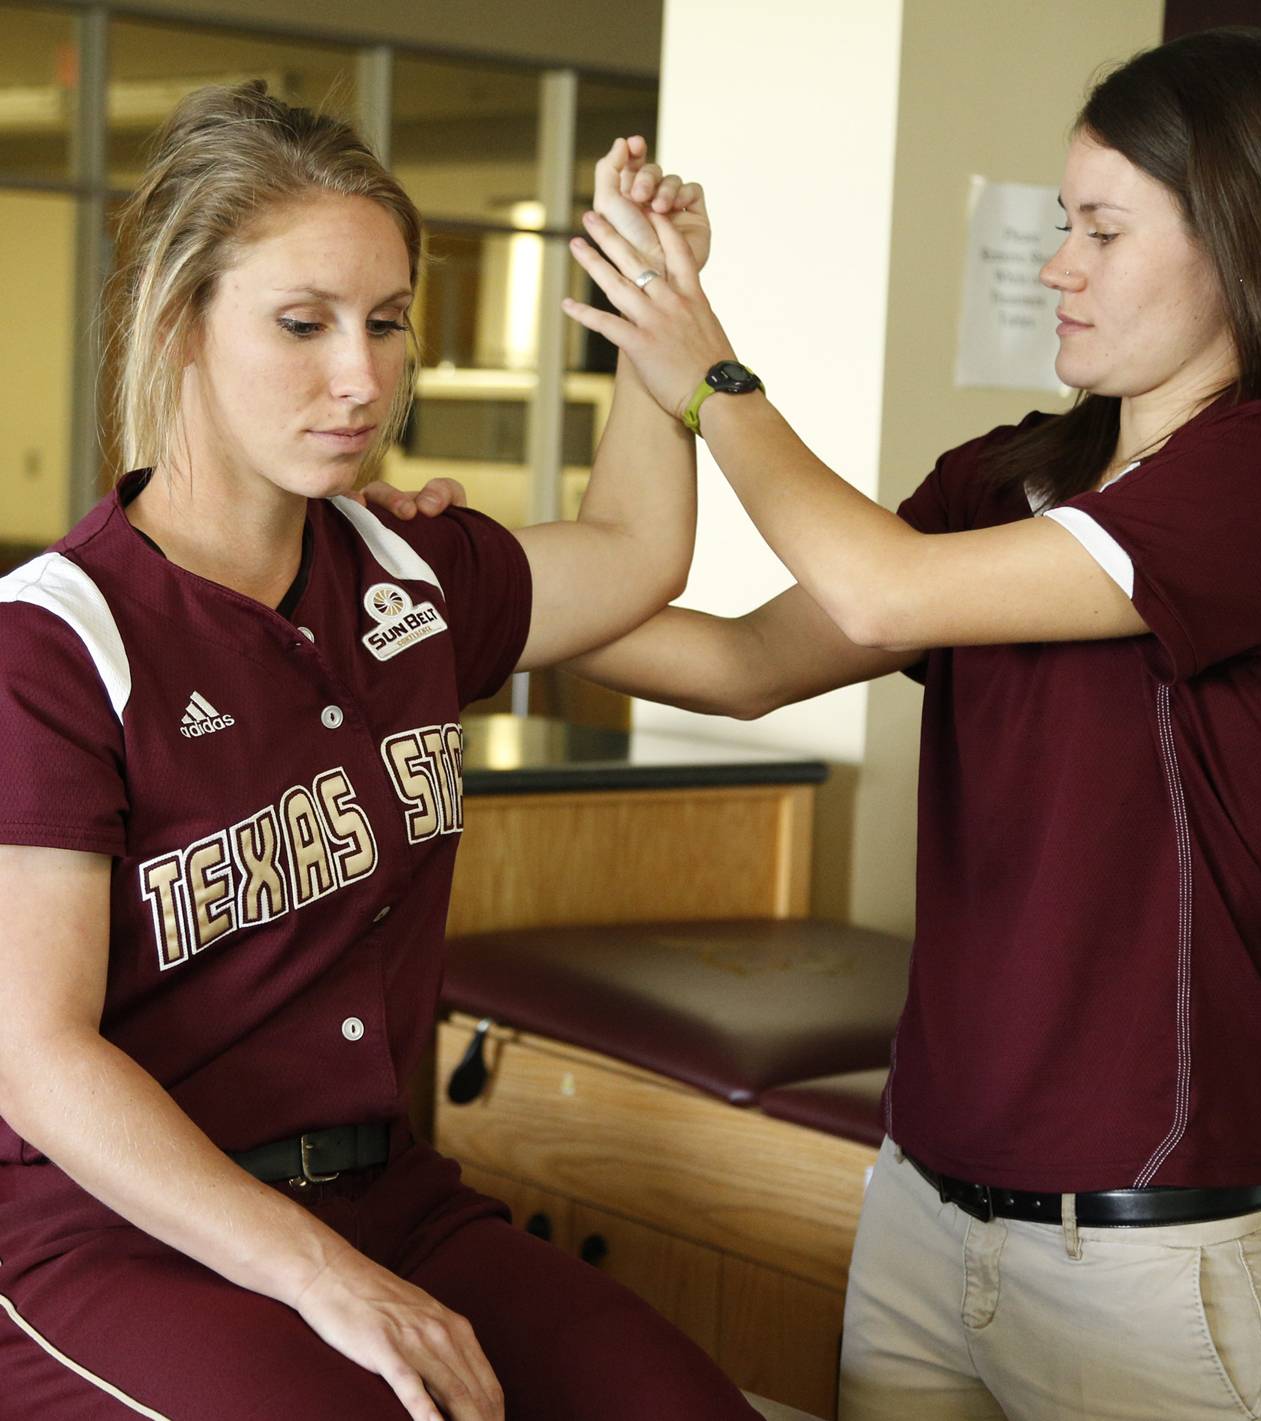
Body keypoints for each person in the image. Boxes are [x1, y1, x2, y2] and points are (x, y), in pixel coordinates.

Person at [378, 24, 1261, 1421]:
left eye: (1102, 231)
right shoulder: (1005, 479)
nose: (1060, 263)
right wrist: (434, 579)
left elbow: (873, 594)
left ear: (1237, 236)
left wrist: (716, 374)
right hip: (926, 1212)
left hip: (1154, 1254)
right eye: (1062, 224)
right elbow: (738, 662)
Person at [0, 83, 764, 1421]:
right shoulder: (56, 643)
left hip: (389, 1196)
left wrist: (660, 319)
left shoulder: (411, 574)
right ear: (181, 321)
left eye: (388, 319)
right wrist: (323, 1281)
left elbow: (640, 556)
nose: (362, 375)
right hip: (116, 1235)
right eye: (302, 324)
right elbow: (34, 1054)